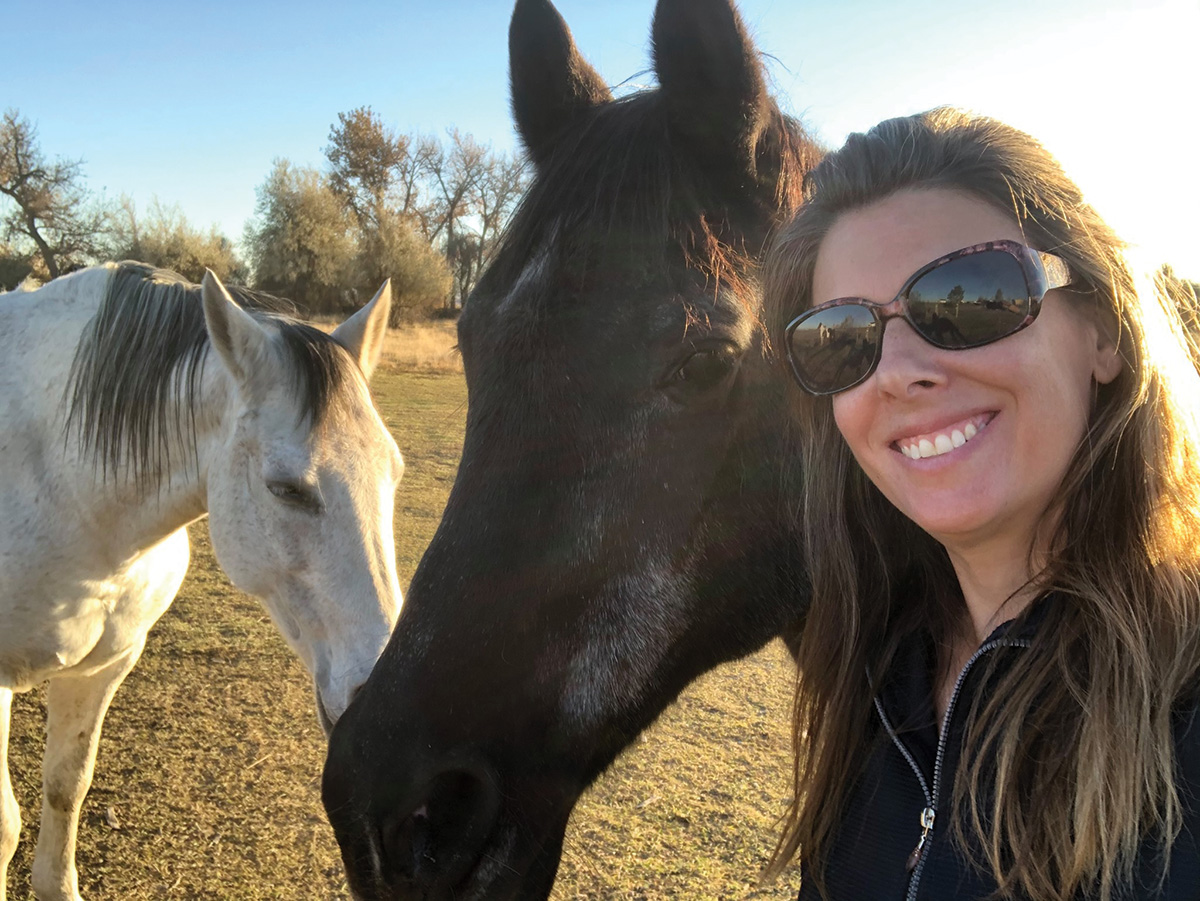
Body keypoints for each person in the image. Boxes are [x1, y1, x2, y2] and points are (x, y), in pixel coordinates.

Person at [761, 108, 1200, 900]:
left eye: (973, 296)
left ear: (1102, 328)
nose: (895, 370)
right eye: (842, 336)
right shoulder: (874, 674)